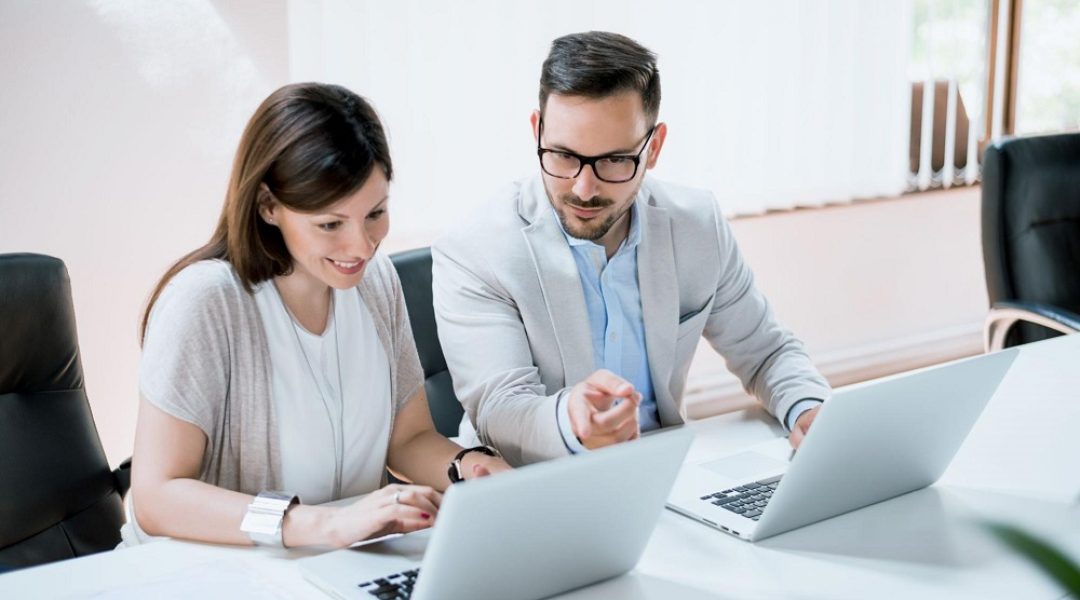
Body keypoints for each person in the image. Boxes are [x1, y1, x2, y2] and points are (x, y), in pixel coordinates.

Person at [128, 83, 509, 549]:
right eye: (330, 224)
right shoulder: (207, 302)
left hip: (336, 568)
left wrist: (471, 467)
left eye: (376, 213)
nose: (361, 245)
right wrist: (316, 526)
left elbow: (408, 439)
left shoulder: (377, 282)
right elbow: (156, 495)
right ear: (269, 206)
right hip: (213, 574)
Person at [432, 32, 831, 466]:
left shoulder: (696, 225)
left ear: (653, 147)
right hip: (534, 485)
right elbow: (500, 411)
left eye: (614, 161)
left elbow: (767, 352)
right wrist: (571, 420)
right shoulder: (476, 248)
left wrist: (807, 407)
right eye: (564, 156)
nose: (584, 189)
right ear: (537, 130)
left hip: (664, 476)